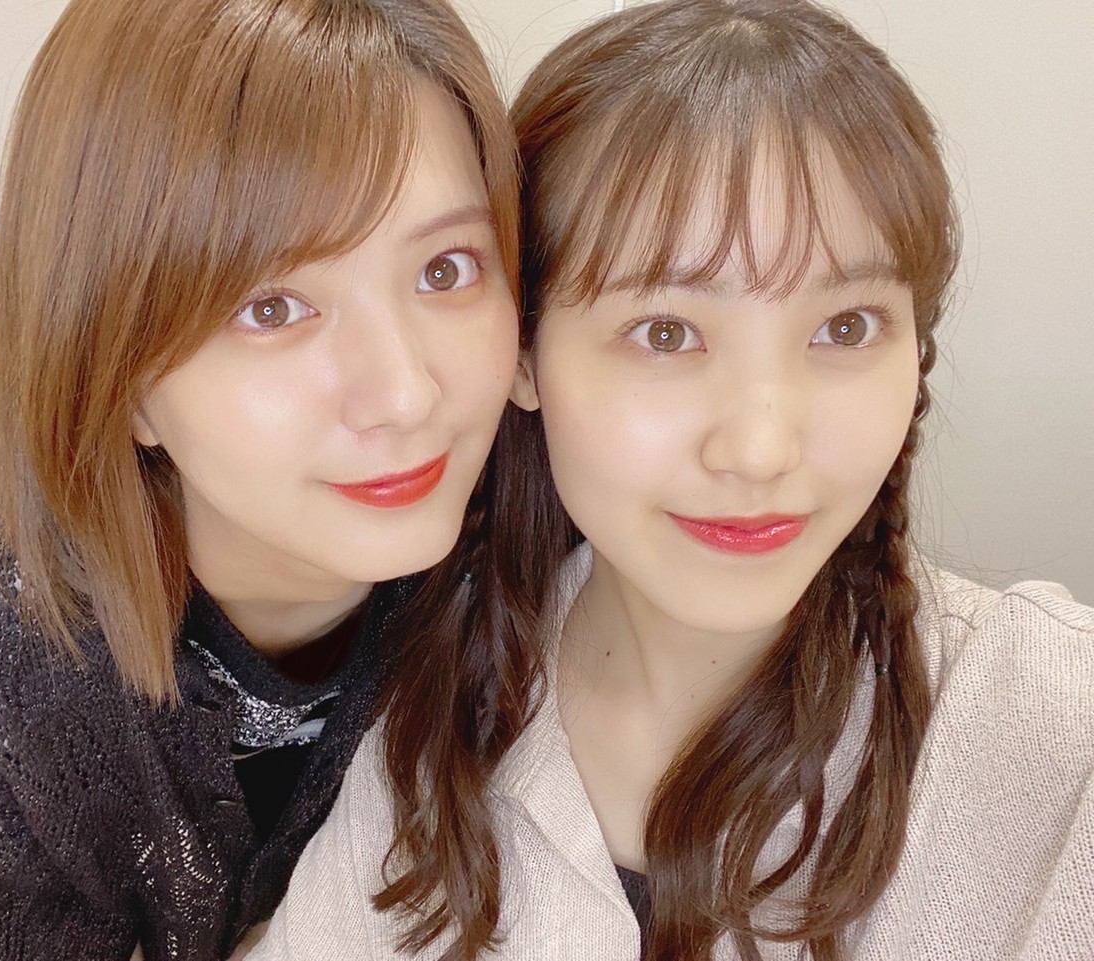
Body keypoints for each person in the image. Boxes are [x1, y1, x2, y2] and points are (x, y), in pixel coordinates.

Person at [245, 1, 1094, 958]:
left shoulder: (1057, 737)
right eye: (666, 332)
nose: (760, 448)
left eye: (845, 328)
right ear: (522, 351)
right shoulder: (433, 716)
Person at [0, 0, 522, 957]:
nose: (405, 394)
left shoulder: (534, 513)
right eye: (272, 307)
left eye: (445, 269)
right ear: (118, 371)